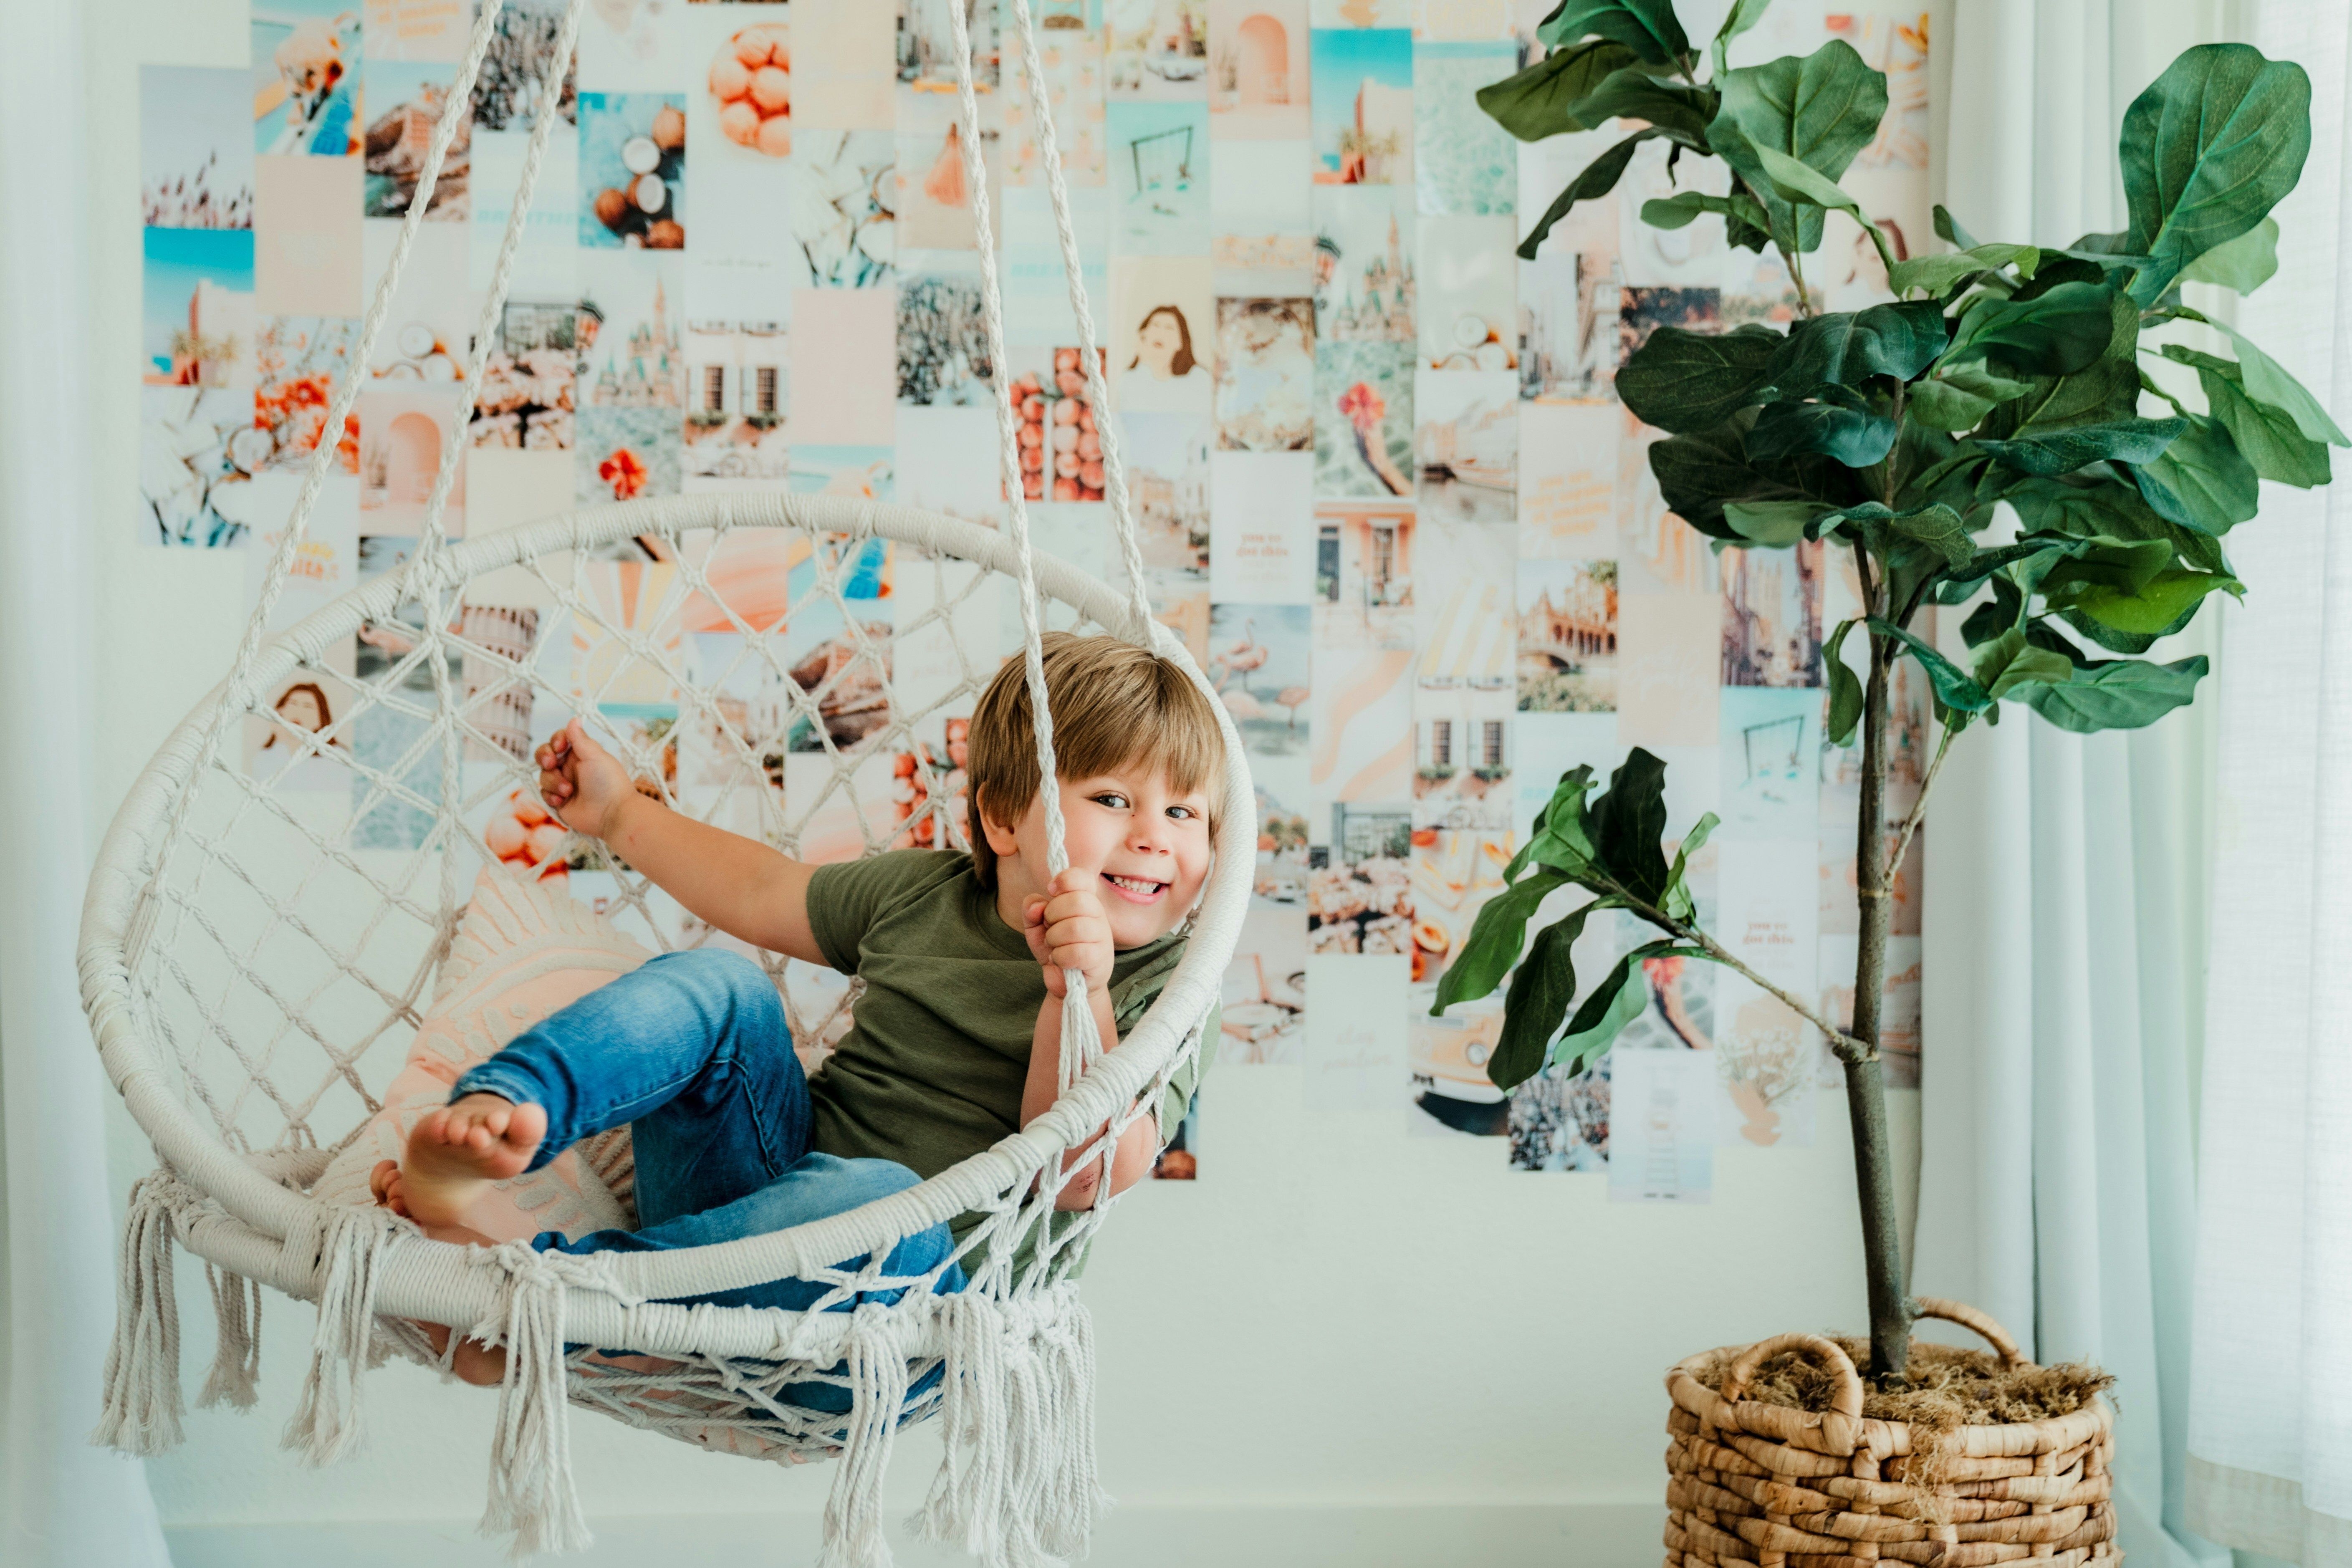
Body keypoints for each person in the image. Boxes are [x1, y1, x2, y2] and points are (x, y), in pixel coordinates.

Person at [371, 632, 1225, 1395]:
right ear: (1004, 819)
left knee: (886, 1197)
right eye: (1115, 800)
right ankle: (503, 1110)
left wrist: (1077, 989)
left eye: (1184, 813)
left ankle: (546, 1306)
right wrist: (621, 814)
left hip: (905, 1320)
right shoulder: (925, 895)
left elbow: (1076, 1178)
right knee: (724, 986)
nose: (1156, 836)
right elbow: (757, 891)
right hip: (748, 1221)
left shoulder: (1171, 988)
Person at [1116, 303, 1210, 412]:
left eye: (1169, 328)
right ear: (1144, 335)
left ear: (1181, 342)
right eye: (1156, 325)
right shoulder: (1129, 379)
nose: (1161, 333)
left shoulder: (1198, 378)